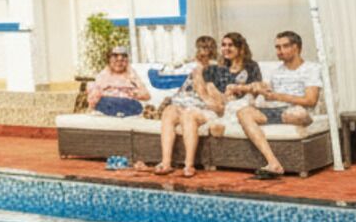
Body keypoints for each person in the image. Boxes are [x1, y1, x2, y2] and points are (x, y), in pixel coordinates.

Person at [237, 31, 322, 180]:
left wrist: (278, 96)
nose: (279, 51)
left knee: (298, 114)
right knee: (244, 112)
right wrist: (258, 89)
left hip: (297, 110)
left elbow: (311, 100)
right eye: (277, 47)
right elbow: (269, 94)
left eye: (284, 47)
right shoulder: (276, 72)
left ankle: (305, 121)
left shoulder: (311, 69)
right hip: (276, 111)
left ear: (296, 48)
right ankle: (273, 162)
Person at [152, 35, 225, 178]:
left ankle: (188, 164)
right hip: (182, 103)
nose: (203, 52)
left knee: (187, 115)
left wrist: (201, 82)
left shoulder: (216, 69)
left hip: (202, 106)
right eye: (201, 48)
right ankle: (166, 162)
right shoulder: (189, 67)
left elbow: (217, 99)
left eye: (207, 48)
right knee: (168, 112)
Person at [77, 44, 151, 116]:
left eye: (123, 58)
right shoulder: (104, 75)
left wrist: (134, 92)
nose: (119, 60)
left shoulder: (131, 74)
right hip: (107, 105)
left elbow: (146, 95)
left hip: (129, 106)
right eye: (115, 57)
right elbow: (93, 98)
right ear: (109, 60)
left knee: (136, 106)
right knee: (104, 101)